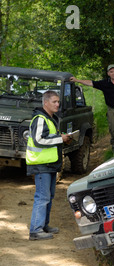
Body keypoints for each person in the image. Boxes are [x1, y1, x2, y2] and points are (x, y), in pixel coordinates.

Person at [27, 91, 72, 240]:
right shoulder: (40, 119)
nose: (58, 104)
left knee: (49, 196)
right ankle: (35, 230)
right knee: (42, 197)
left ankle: (44, 225)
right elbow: (39, 140)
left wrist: (63, 139)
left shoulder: (51, 119)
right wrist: (60, 139)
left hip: (50, 164)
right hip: (41, 165)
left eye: (58, 102)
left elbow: (49, 137)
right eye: (54, 102)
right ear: (45, 103)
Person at [71, 64, 114, 152]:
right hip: (111, 111)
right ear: (108, 73)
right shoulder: (105, 83)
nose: (113, 73)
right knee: (113, 132)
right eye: (111, 72)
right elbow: (91, 83)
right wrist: (77, 80)